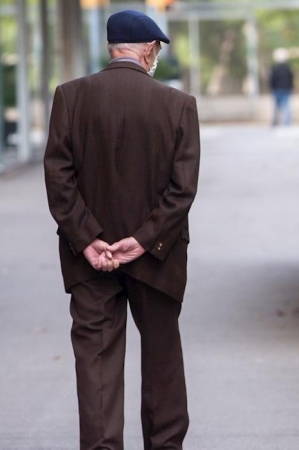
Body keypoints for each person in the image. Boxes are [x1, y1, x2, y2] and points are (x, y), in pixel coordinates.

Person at [43, 10, 200, 450]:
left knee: (95, 363)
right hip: (158, 256)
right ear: (148, 50)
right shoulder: (178, 106)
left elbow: (59, 176)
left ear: (112, 47)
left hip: (89, 260)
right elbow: (182, 190)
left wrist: (88, 237)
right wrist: (145, 239)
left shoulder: (70, 97)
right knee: (163, 360)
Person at [268, 48, 295, 126]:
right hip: (286, 89)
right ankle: (287, 122)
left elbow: (272, 79)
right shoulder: (288, 68)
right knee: (286, 106)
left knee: (276, 107)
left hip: (277, 89)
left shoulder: (274, 68)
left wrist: (271, 87)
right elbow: (291, 78)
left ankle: (275, 121)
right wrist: (291, 87)